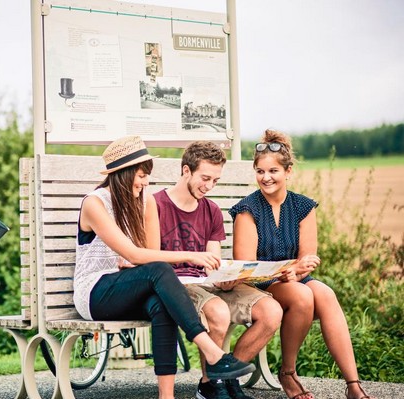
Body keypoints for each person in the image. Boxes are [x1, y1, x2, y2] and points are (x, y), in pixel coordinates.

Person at [73, 135, 256, 399]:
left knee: (163, 303)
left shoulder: (144, 200)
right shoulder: (95, 203)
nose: (146, 182)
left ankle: (166, 396)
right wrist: (191, 256)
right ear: (122, 174)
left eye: (147, 175)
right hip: (94, 292)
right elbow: (136, 254)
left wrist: (137, 260)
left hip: (125, 286)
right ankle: (214, 353)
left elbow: (147, 254)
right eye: (141, 175)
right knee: (160, 271)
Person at [229, 129, 377, 399]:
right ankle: (288, 373)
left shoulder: (303, 207)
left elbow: (307, 260)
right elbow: (247, 268)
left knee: (325, 293)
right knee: (302, 295)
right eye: (260, 171)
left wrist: (294, 271)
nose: (266, 177)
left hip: (293, 279)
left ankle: (353, 385)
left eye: (273, 171)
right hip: (258, 285)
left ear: (288, 171)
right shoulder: (247, 210)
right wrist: (290, 270)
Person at [153, 141, 283, 399]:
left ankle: (225, 377)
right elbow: (151, 260)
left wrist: (226, 278)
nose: (209, 186)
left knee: (271, 311)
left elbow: (212, 259)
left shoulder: (210, 209)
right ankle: (209, 386)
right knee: (218, 312)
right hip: (176, 285)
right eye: (205, 178)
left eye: (215, 180)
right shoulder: (155, 205)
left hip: (207, 283)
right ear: (186, 171)